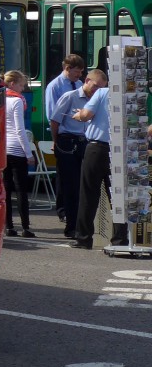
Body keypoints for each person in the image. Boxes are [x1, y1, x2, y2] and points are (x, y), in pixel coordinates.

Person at [69, 69, 110, 249]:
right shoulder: (125, 96)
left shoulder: (101, 93)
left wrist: (78, 115)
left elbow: (86, 115)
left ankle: (84, 237)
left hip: (97, 148)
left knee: (88, 194)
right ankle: (121, 239)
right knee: (116, 195)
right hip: (118, 150)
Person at [49, 78, 89, 238]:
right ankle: (71, 225)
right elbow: (55, 120)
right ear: (87, 81)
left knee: (82, 186)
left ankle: (80, 225)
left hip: (84, 141)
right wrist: (56, 142)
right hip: (68, 141)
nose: (96, 90)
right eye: (95, 86)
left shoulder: (96, 98)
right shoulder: (70, 96)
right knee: (71, 186)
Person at [2, 70, 36, 238]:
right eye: (21, 85)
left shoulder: (1, 99)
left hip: (3, 150)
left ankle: (8, 226)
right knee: (21, 190)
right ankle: (25, 227)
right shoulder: (17, 101)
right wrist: (28, 153)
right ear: (12, 84)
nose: (23, 89)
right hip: (17, 149)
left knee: (6, 190)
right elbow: (19, 130)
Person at [44, 54, 85, 129]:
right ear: (67, 68)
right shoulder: (54, 86)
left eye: (81, 72)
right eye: (77, 71)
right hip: (64, 131)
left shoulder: (79, 84)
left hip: (79, 129)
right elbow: (52, 113)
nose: (80, 75)